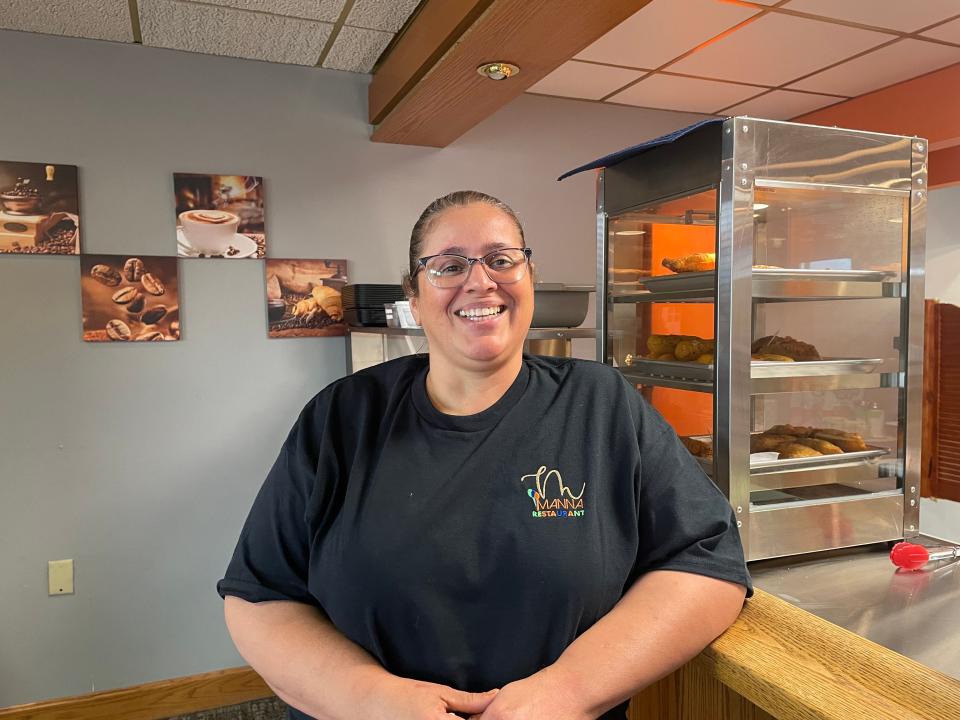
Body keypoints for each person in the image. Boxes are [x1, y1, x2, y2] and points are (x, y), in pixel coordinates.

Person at [218, 190, 751, 720]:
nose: (480, 280)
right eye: (449, 265)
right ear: (415, 292)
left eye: (501, 260)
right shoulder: (342, 416)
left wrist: (569, 692)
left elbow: (707, 562)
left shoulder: (602, 405)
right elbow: (259, 595)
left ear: (530, 279)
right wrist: (368, 700)